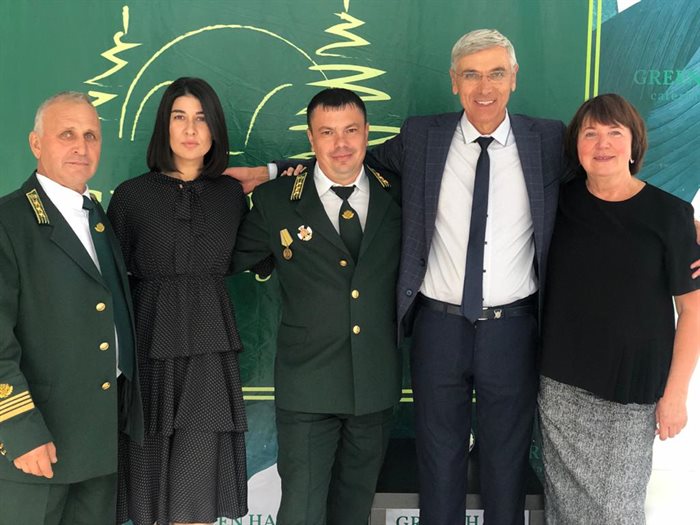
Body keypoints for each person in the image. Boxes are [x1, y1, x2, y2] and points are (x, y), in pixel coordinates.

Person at [231, 88, 402, 525]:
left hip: (374, 385)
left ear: (367, 134)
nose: (340, 143)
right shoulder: (275, 201)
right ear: (311, 138)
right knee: (301, 513)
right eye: (327, 132)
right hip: (307, 388)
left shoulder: (400, 195)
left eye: (350, 130)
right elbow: (223, 257)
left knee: (354, 512)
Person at [538, 93, 700, 524]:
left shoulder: (671, 215)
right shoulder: (557, 204)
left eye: (614, 132)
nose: (602, 144)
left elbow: (693, 312)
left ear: (634, 144)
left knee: (617, 512)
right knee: (565, 509)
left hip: (632, 390)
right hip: (561, 387)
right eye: (590, 133)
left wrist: (676, 395)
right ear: (576, 146)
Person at [108, 77, 248, 525]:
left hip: (209, 353)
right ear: (163, 127)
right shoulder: (130, 196)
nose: (190, 129)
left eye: (201, 119)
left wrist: (268, 172)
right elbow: (110, 285)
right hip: (148, 350)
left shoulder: (231, 195)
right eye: (179, 117)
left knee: (197, 493)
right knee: (147, 490)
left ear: (215, 129)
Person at [0, 91, 142, 524]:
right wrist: (19, 431)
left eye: (91, 136)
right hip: (36, 447)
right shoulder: (8, 222)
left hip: (98, 444)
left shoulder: (96, 216)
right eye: (67, 135)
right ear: (36, 143)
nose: (81, 147)